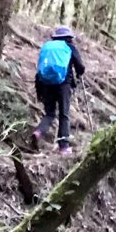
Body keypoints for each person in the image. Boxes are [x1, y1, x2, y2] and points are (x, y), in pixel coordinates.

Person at [32, 25, 85, 155]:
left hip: (45, 84)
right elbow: (81, 67)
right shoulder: (70, 47)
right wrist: (78, 74)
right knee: (64, 114)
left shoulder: (47, 47)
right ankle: (64, 147)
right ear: (69, 38)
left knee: (50, 113)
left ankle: (38, 132)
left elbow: (40, 67)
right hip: (63, 85)